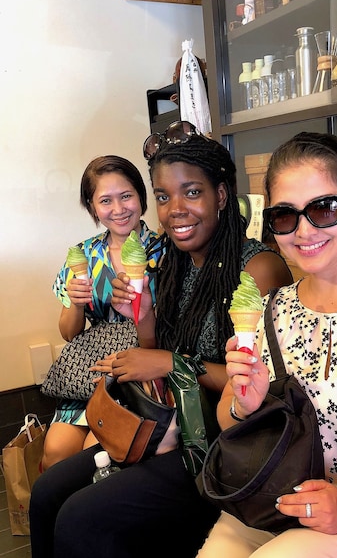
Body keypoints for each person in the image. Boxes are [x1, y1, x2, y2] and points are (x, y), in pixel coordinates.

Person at [30, 120, 293, 558]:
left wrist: (173, 363)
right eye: (164, 196)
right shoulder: (169, 261)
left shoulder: (258, 269)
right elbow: (150, 349)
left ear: (221, 196)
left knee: (81, 518)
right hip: (163, 426)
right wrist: (145, 312)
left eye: (192, 192)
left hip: (216, 445)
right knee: (47, 491)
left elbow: (260, 386)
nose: (175, 209)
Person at [197, 131, 337, 558]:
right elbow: (229, 419)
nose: (304, 230)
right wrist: (244, 402)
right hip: (276, 499)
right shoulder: (272, 307)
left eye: (324, 208)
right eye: (285, 216)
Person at [42, 155, 162, 470]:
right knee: (55, 452)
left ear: (141, 196)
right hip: (92, 376)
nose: (119, 209)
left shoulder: (166, 252)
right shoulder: (82, 255)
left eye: (126, 196)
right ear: (92, 207)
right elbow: (69, 333)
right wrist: (76, 301)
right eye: (105, 200)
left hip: (142, 374)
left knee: (93, 454)